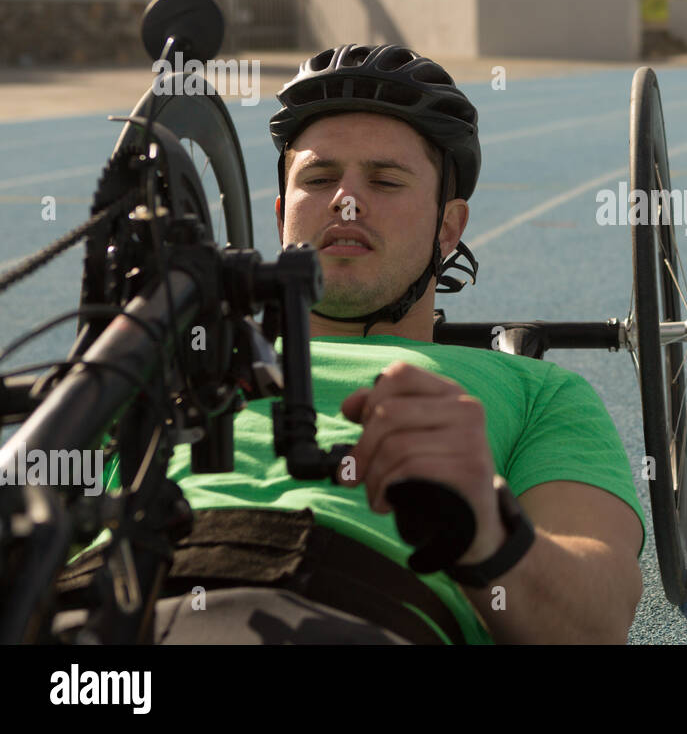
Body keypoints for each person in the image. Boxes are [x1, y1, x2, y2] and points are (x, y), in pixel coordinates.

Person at [54, 45, 646, 644]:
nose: (347, 199)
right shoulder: (166, 364)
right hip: (93, 614)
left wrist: (489, 532)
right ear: (284, 215)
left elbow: (596, 621)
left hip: (352, 611)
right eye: (318, 178)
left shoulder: (541, 392)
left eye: (385, 180)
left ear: (448, 228)